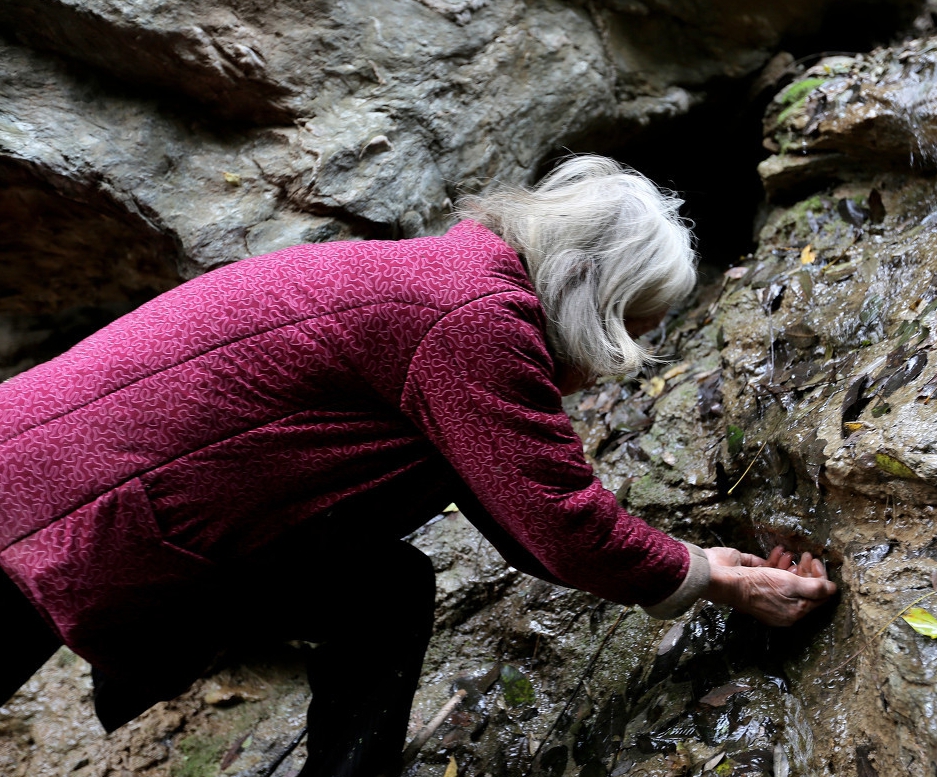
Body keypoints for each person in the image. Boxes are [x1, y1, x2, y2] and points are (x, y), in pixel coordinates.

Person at [0, 155, 835, 776]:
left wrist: (698, 567)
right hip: (64, 497)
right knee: (380, 594)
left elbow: (515, 516)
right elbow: (557, 520)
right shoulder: (470, 318)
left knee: (378, 590)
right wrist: (717, 581)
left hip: (44, 474)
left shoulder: (448, 283)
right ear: (596, 298)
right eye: (638, 323)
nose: (631, 351)